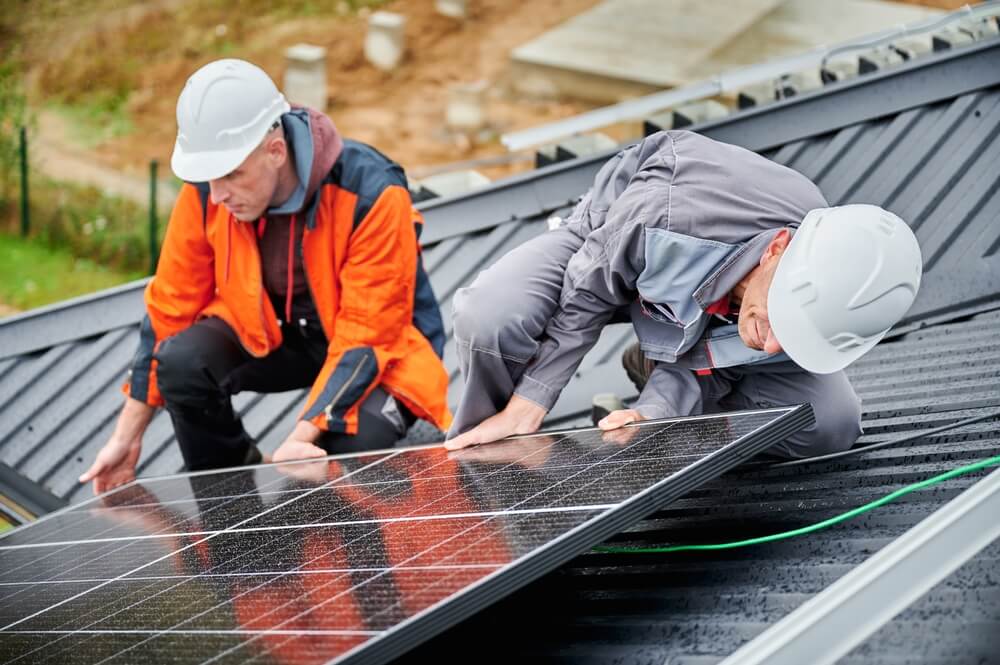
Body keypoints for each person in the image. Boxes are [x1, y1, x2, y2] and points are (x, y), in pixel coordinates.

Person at [80, 59, 451, 494]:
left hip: (378, 351)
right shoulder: (210, 188)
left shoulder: (370, 193)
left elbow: (367, 337)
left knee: (345, 454)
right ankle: (232, 500)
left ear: (275, 151)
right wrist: (126, 438)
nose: (218, 195)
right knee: (180, 363)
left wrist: (300, 438)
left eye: (232, 175)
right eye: (209, 179)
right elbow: (171, 307)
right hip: (279, 333)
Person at [445, 130, 922, 455]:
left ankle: (652, 374)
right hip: (606, 241)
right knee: (493, 316)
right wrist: (533, 401)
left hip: (691, 301)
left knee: (829, 422)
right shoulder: (668, 216)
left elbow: (719, 355)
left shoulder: (821, 281)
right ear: (777, 248)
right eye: (781, 318)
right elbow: (586, 292)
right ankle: (487, 450)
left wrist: (654, 414)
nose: (774, 343)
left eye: (795, 331)